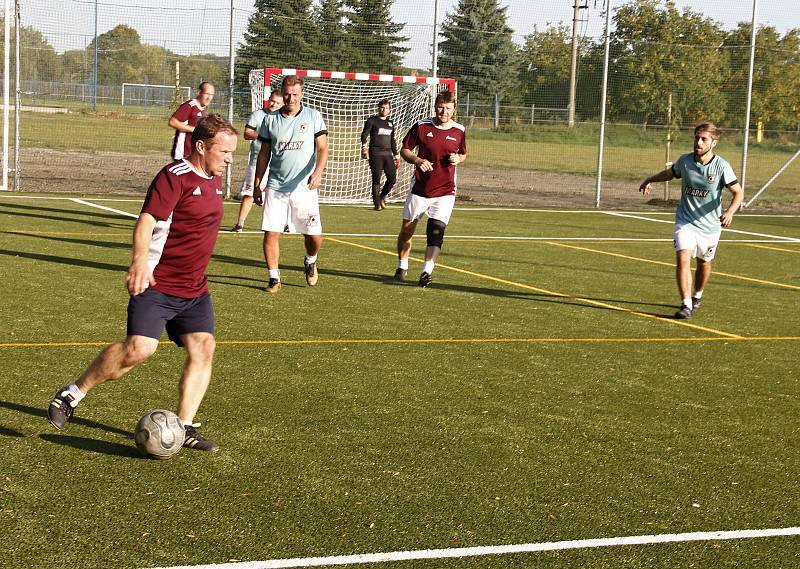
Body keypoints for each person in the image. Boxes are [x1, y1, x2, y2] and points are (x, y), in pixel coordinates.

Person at [47, 113, 239, 452]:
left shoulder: (215, 179)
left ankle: (185, 425)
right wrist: (138, 262)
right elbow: (147, 219)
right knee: (139, 349)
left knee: (203, 348)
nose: (229, 159)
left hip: (194, 288)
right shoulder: (174, 176)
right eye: (223, 152)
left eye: (231, 153)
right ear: (200, 146)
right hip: (159, 283)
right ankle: (72, 394)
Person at [638, 122, 744, 319]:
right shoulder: (685, 161)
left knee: (704, 263)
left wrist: (730, 212)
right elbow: (669, 174)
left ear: (714, 142)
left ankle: (697, 296)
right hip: (685, 221)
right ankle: (686, 304)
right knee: (682, 257)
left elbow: (738, 192)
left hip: (710, 226)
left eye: (704, 139)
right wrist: (649, 179)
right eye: (696, 137)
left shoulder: (721, 166)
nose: (699, 142)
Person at [253, 75, 329, 293]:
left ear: (302, 94)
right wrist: (258, 184)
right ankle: (274, 278)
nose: (291, 98)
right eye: (287, 94)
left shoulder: (313, 116)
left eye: (295, 94)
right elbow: (264, 153)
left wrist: (318, 172)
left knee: (314, 236)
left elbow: (323, 148)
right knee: (271, 232)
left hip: (305, 188)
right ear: (282, 93)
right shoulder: (270, 120)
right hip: (276, 187)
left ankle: (310, 260)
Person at [394, 90, 467, 287]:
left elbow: (463, 154)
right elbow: (405, 150)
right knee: (407, 231)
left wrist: (457, 158)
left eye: (448, 108)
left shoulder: (459, 130)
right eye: (440, 107)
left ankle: (427, 272)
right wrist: (418, 160)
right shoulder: (421, 126)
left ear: (454, 110)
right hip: (420, 189)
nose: (444, 112)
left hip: (445, 192)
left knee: (436, 232)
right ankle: (402, 265)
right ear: (435, 107)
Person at [230, 90, 284, 232]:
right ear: (268, 100)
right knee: (250, 193)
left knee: (280, 194)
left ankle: (284, 224)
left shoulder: (284, 118)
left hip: (279, 163)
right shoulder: (258, 115)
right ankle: (240, 224)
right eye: (272, 101)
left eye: (278, 103)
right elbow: (247, 133)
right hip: (258, 160)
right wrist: (264, 137)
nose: (274, 104)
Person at [360, 99, 400, 210]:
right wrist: (364, 147)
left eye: (387, 108)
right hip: (375, 153)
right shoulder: (372, 120)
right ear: (378, 108)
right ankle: (376, 204)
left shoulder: (390, 123)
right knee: (376, 179)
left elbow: (392, 140)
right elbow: (364, 134)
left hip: (388, 153)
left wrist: (396, 155)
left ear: (390, 110)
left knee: (392, 179)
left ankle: (382, 197)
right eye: (382, 107)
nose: (384, 110)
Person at [169, 81, 215, 160]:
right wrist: (195, 130)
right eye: (207, 94)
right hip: (183, 154)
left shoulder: (202, 109)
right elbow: (172, 122)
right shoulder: (189, 106)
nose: (209, 97)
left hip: (193, 153)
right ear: (199, 93)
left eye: (211, 95)